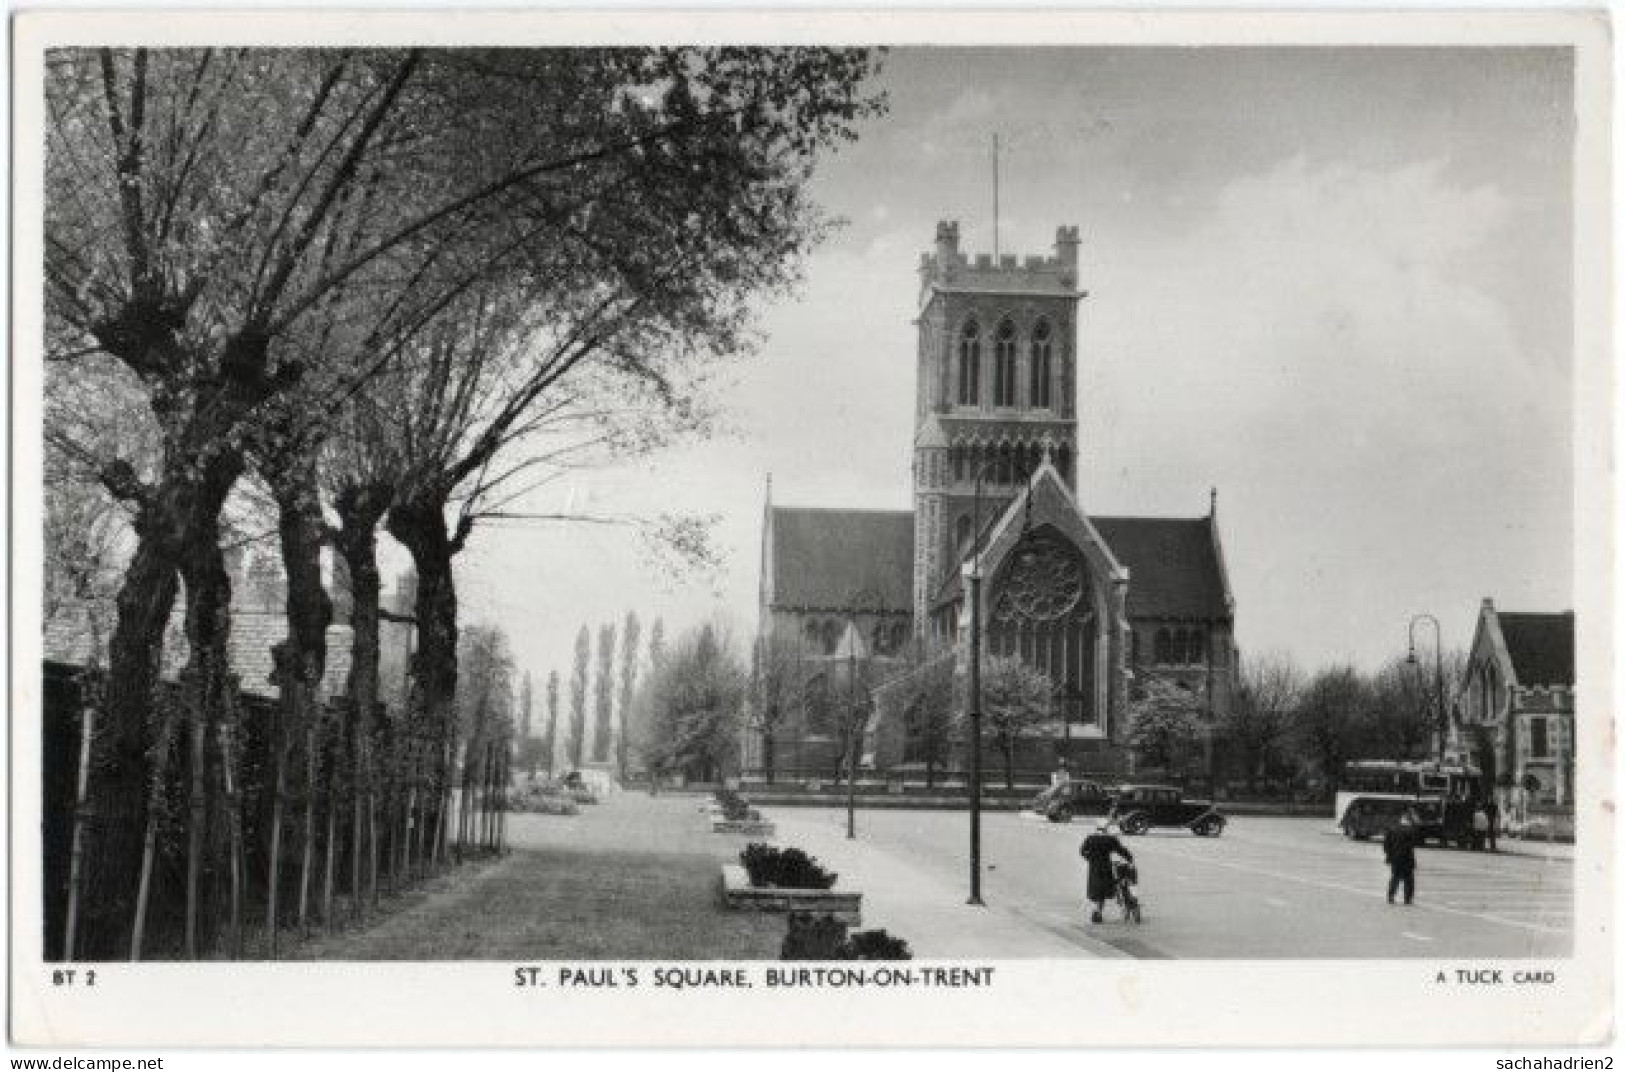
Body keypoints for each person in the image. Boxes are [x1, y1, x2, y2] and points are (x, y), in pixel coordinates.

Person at [1080, 822, 1134, 923]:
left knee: (1098, 891)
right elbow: (1121, 850)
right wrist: (1130, 859)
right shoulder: (1110, 839)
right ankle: (1123, 907)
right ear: (1106, 829)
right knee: (1112, 886)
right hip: (1106, 867)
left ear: (1097, 828)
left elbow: (1082, 851)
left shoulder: (1090, 838)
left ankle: (1098, 911)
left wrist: (1090, 859)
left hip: (1094, 868)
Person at [1383, 812, 1420, 905]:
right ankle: (1407, 899)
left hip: (1395, 858)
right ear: (1409, 821)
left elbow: (1386, 845)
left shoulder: (1392, 829)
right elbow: (1413, 844)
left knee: (1395, 878)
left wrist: (1389, 855)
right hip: (1407, 858)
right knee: (1409, 880)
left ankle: (1391, 896)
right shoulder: (1410, 831)